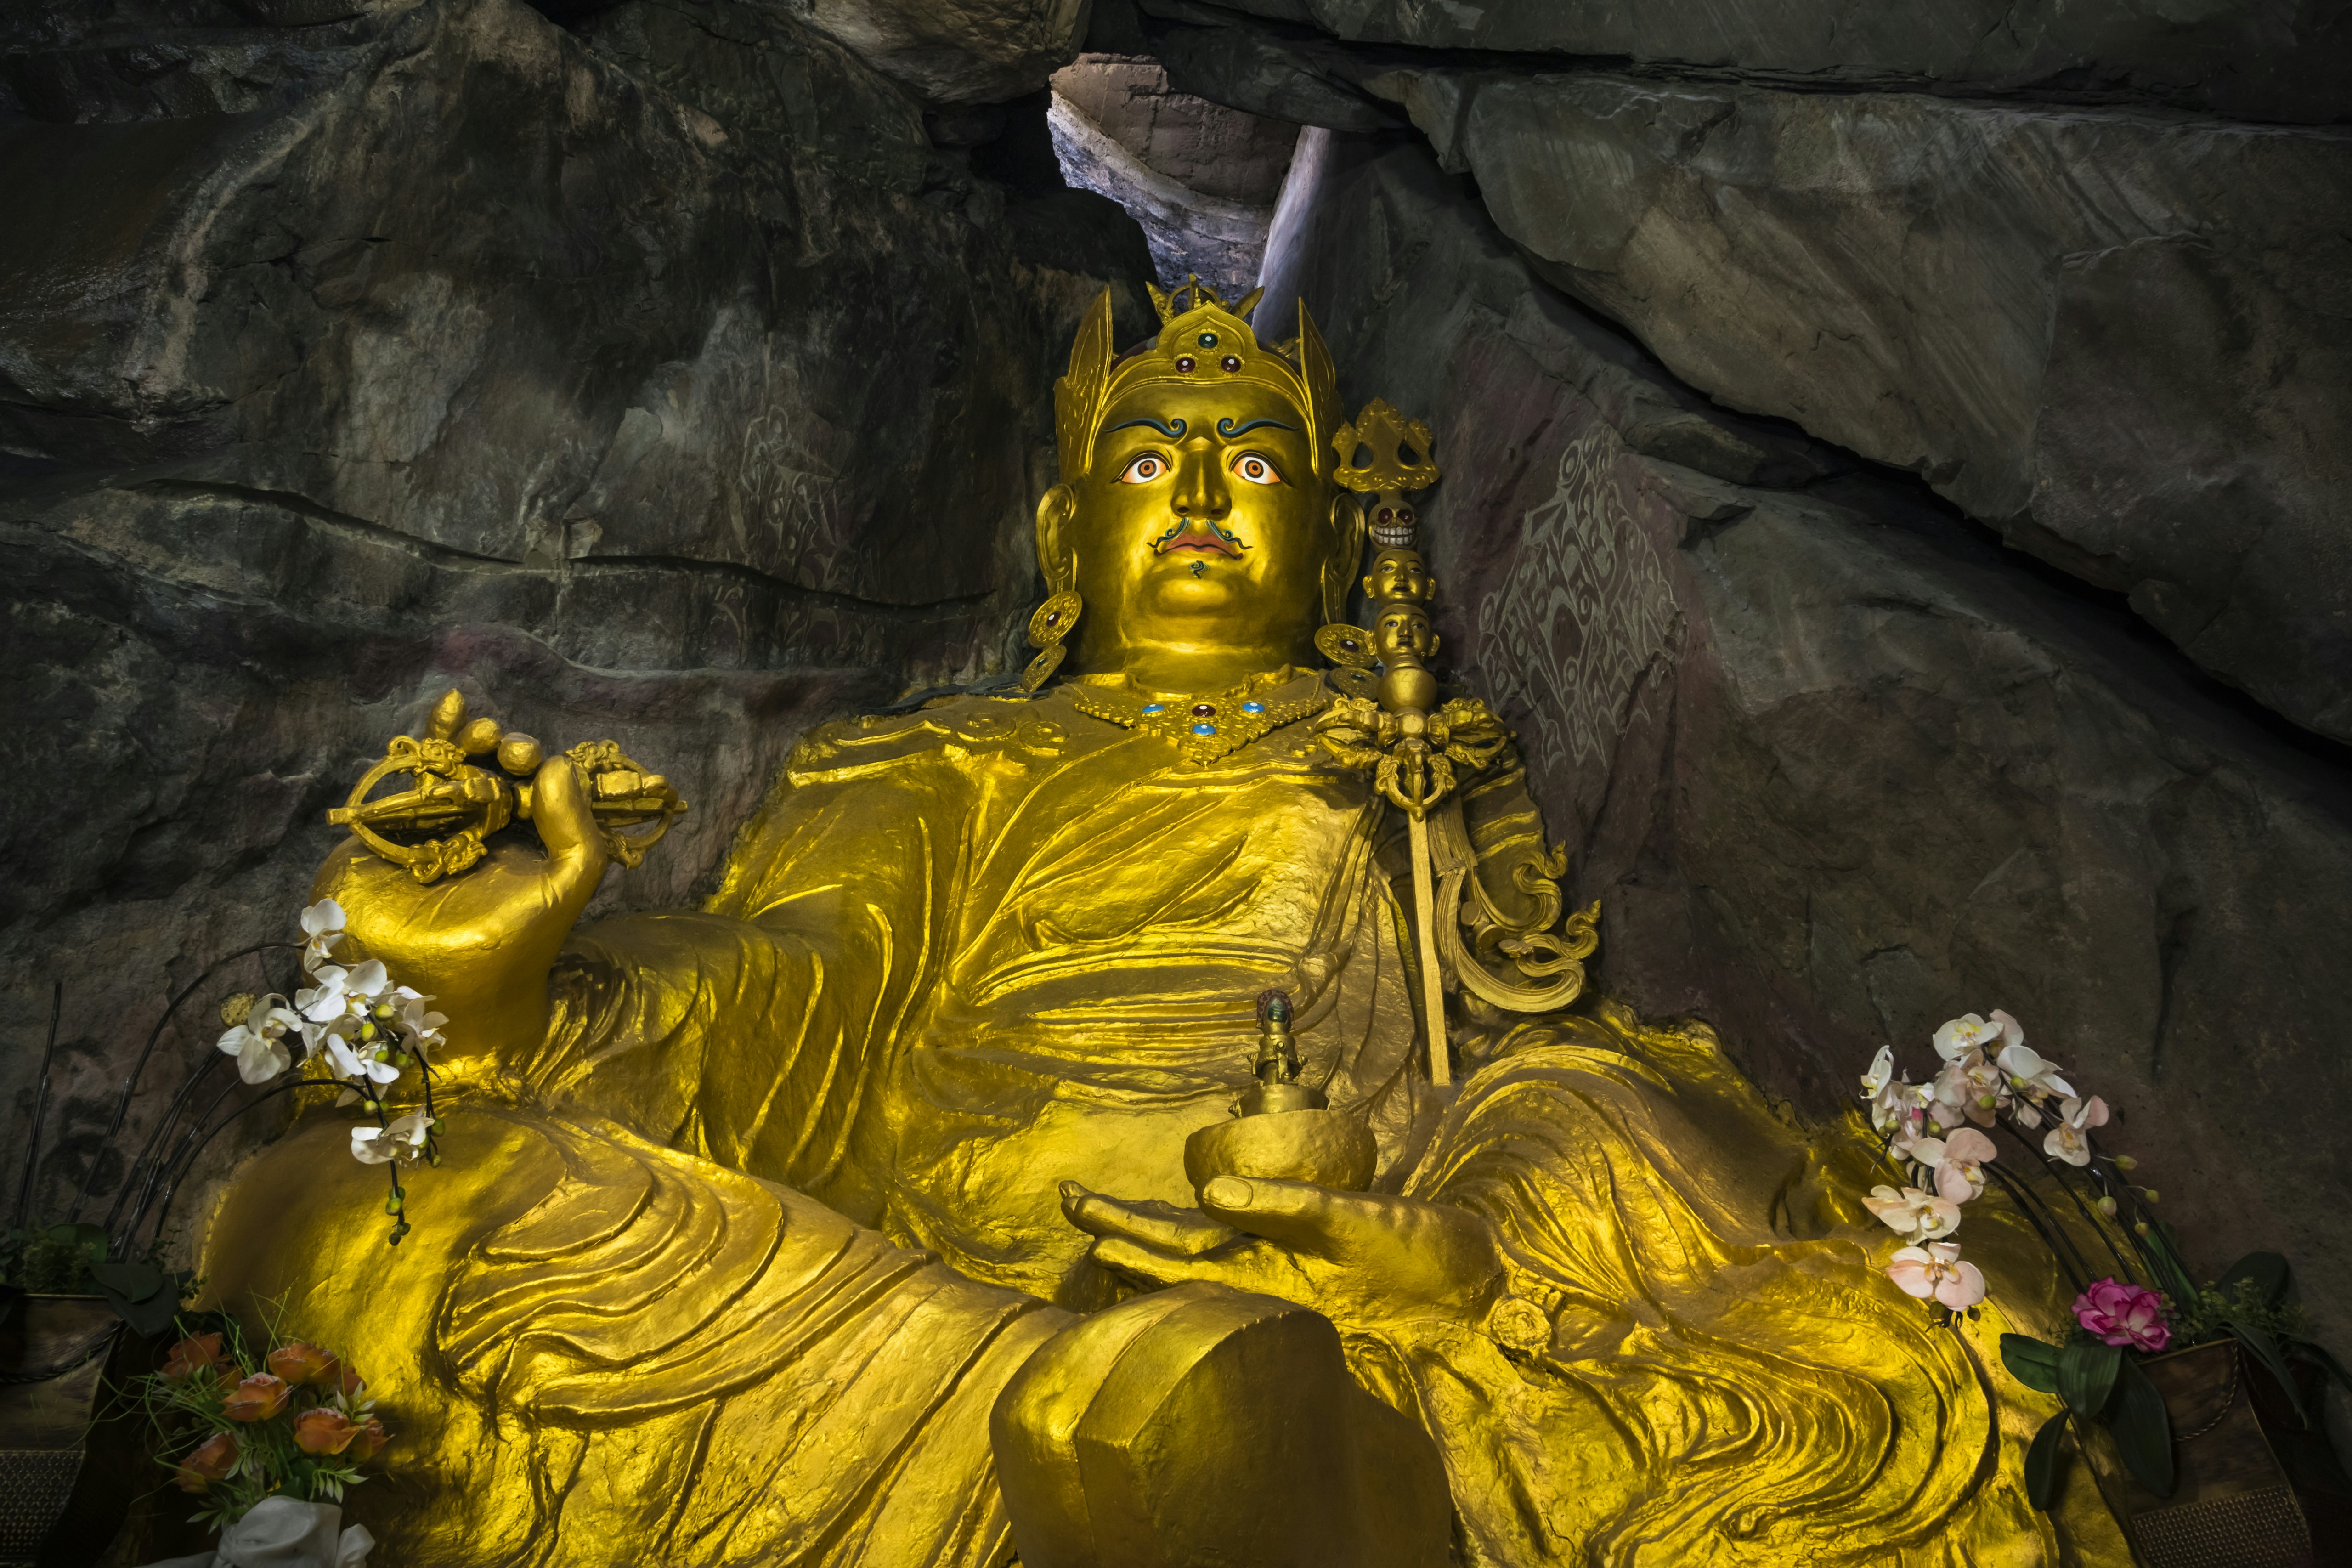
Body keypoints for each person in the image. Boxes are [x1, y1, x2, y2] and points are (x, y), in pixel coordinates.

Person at [201, 286, 2131, 1567]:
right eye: (1148, 459)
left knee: (1610, 1125)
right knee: (366, 1195)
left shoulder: (1406, 749)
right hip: (909, 1286)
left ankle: (1282, 1424)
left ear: (1324, 525)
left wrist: (1455, 1240)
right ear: (1064, 542)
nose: (1200, 493)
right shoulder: (932, 762)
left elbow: (1519, 1044)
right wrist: (499, 972)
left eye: (1247, 461)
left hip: (1343, 1243)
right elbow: (787, 995)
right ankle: (1234, 1456)